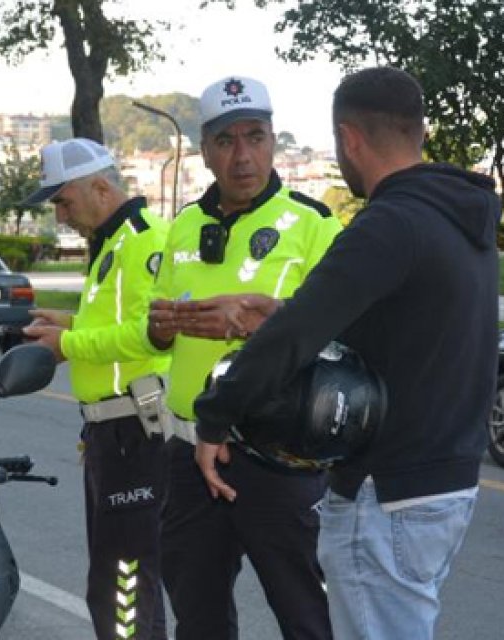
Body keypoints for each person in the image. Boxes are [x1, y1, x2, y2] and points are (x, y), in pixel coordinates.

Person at [188, 66, 501, 640]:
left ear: (349, 139)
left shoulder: (389, 224)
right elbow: (401, 334)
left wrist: (214, 417)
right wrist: (281, 313)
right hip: (448, 481)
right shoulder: (458, 217)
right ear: (419, 132)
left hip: (389, 490)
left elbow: (294, 342)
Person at [146, 76, 342, 640]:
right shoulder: (181, 224)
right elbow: (163, 330)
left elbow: (344, 331)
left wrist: (268, 316)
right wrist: (158, 330)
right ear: (205, 151)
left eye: (254, 138)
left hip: (278, 456)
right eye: (226, 141)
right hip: (188, 452)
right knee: (198, 617)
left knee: (307, 615)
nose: (242, 156)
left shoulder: (313, 223)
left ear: (274, 141)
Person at [20, 138, 172, 640]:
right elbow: (118, 320)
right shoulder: (112, 243)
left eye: (62, 200)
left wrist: (70, 343)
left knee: (122, 583)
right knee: (126, 578)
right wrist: (71, 320)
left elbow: (150, 332)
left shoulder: (144, 240)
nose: (60, 215)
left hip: (136, 429)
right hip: (112, 433)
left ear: (101, 187)